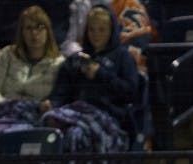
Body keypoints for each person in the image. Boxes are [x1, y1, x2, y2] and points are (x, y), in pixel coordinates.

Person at [42, 4, 137, 154]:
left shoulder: (123, 57)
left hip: (108, 118)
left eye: (101, 30)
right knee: (48, 128)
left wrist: (100, 74)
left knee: (76, 135)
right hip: (75, 114)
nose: (96, 34)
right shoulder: (75, 60)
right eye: (91, 29)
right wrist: (52, 104)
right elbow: (61, 92)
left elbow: (130, 92)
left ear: (111, 30)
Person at [0, 5, 63, 138]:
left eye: (39, 27)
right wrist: (7, 106)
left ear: (48, 31)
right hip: (1, 114)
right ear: (21, 32)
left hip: (34, 118)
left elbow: (57, 101)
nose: (34, 34)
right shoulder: (7, 55)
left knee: (22, 133)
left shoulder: (59, 63)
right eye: (29, 28)